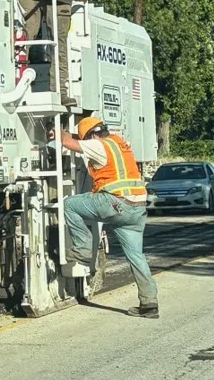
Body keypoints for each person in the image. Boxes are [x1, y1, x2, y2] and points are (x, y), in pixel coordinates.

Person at [52, 116, 158, 318]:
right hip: (136, 208)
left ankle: (83, 250)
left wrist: (54, 129)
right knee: (136, 257)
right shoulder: (119, 143)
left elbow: (66, 142)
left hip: (115, 203)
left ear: (92, 135)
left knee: (69, 205)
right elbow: (80, 140)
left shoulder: (98, 146)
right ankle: (149, 303)